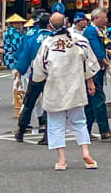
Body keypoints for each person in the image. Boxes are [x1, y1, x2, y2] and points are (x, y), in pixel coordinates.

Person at [31, 12, 100, 171]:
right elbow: (89, 63)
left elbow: (39, 70)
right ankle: (85, 152)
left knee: (56, 124)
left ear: (50, 26)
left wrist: (39, 81)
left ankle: (61, 159)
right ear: (66, 23)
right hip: (75, 86)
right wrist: (89, 81)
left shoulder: (47, 44)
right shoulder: (80, 41)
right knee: (79, 121)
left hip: (54, 87)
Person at [14, 11, 53, 144]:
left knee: (29, 102)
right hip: (51, 75)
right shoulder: (53, 38)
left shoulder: (32, 38)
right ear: (49, 25)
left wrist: (19, 72)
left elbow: (23, 57)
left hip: (35, 74)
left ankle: (21, 130)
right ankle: (47, 134)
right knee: (49, 104)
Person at [82, 8, 111, 141]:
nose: (106, 20)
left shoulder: (98, 30)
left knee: (91, 103)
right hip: (93, 70)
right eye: (104, 18)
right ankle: (104, 130)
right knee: (98, 100)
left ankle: (86, 131)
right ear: (96, 18)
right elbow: (97, 53)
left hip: (97, 69)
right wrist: (108, 65)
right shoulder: (91, 31)